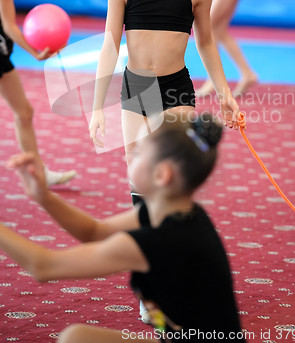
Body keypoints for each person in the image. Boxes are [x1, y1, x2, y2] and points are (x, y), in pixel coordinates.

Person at [3, 112, 243, 342]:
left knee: (73, 338)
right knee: (77, 338)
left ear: (162, 174)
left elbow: (43, 267)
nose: (129, 156)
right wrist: (43, 196)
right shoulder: (178, 213)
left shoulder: (155, 242)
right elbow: (94, 233)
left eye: (137, 152)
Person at [88, 0, 240, 203]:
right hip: (136, 87)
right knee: (137, 171)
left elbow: (207, 44)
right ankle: (147, 240)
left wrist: (225, 94)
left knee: (163, 162)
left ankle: (170, 235)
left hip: (176, 88)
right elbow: (110, 46)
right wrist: (97, 106)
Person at [0, 0, 76, 186]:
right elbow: (8, 25)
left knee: (25, 112)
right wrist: (35, 53)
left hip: (2, 55)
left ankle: (38, 173)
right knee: (24, 112)